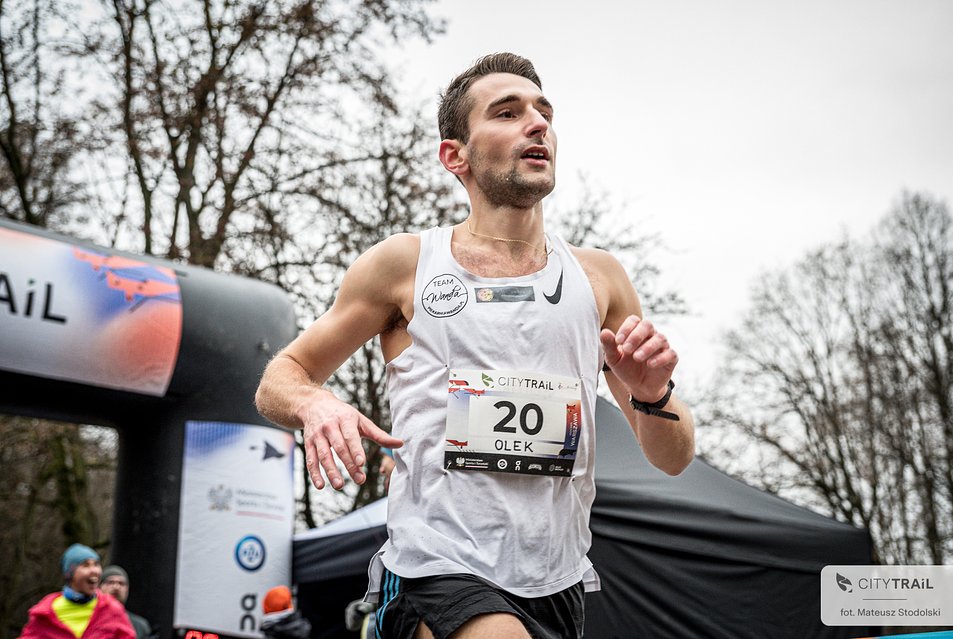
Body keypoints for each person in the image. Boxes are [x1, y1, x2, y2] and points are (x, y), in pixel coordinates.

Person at [255, 52, 695, 639]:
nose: (537, 124)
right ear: (454, 155)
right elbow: (282, 376)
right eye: (507, 113)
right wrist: (315, 403)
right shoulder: (406, 265)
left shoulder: (600, 279)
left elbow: (673, 457)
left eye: (544, 112)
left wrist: (651, 393)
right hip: (437, 566)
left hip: (556, 579)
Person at [18, 543, 135, 639]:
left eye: (96, 564)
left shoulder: (111, 609)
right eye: (86, 565)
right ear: (70, 574)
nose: (94, 570)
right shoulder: (45, 613)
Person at [99, 565, 153, 639]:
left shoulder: (140, 626)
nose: (116, 587)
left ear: (127, 589)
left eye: (121, 583)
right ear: (99, 588)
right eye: (110, 582)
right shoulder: (91, 620)